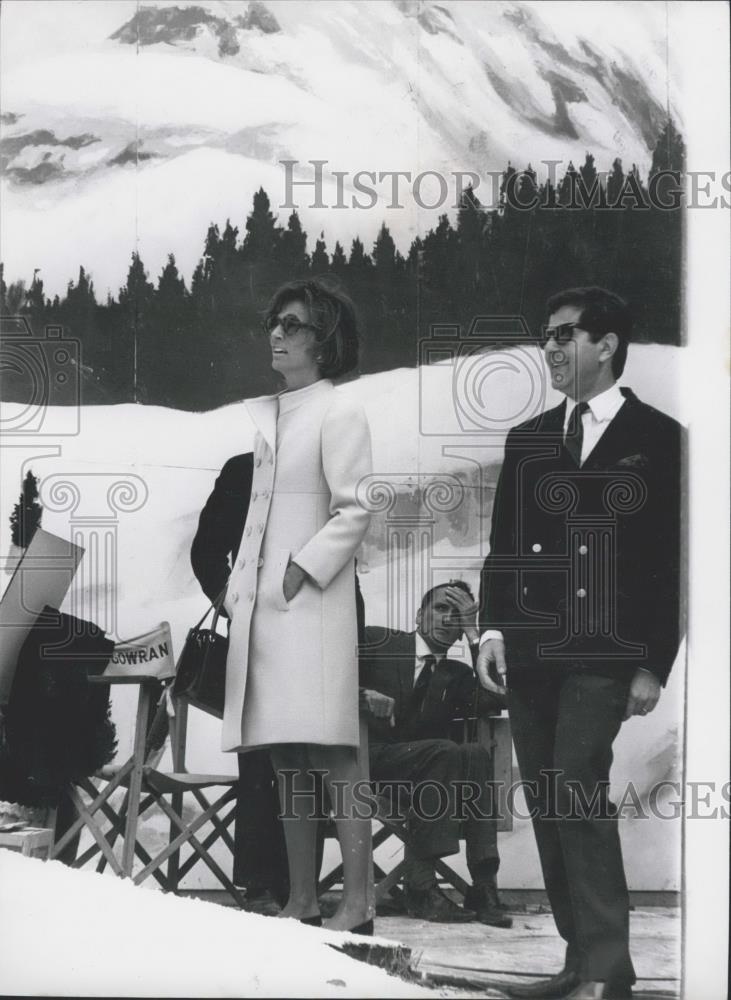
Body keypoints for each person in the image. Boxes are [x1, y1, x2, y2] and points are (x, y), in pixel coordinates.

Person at [477, 287, 683, 999]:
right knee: (546, 796)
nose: (551, 350)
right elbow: (503, 548)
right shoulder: (529, 437)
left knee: (574, 791)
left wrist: (651, 662)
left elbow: (669, 565)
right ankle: (579, 962)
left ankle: (606, 970)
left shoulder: (658, 439)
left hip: (603, 654)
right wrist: (494, 629)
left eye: (564, 336)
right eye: (546, 337)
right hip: (532, 652)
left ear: (606, 345)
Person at [221, 277, 373, 933]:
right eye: (273, 321)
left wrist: (299, 569)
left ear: (324, 339)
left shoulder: (339, 411)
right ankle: (303, 899)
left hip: (311, 607)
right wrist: (242, 592)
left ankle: (358, 903)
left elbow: (356, 507)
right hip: (265, 611)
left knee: (334, 751)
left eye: (291, 324)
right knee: (284, 753)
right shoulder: (276, 415)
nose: (276, 334)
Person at [191, 453, 366, 904]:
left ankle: (300, 890)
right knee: (263, 759)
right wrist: (235, 604)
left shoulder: (330, 468)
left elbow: (344, 564)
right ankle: (261, 885)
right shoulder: (244, 469)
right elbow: (207, 550)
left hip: (323, 632)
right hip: (260, 632)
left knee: (317, 758)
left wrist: (352, 643)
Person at [359, 580, 512, 928]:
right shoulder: (377, 641)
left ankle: (483, 885)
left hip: (427, 783)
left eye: (458, 616)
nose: (448, 619)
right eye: (441, 608)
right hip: (366, 763)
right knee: (445, 751)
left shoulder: (456, 674)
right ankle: (422, 886)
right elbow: (330, 677)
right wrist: (362, 693)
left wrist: (477, 637)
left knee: (473, 753)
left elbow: (499, 696)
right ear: (419, 615)